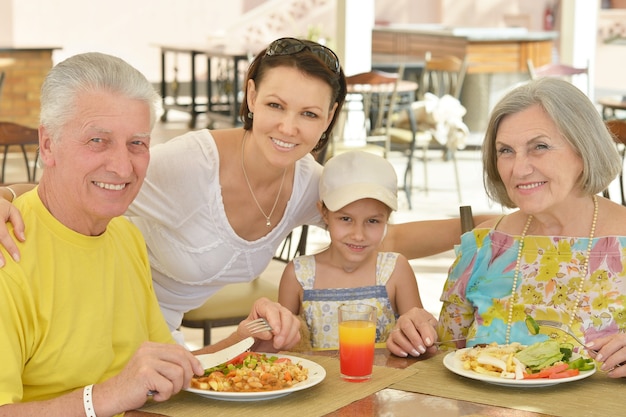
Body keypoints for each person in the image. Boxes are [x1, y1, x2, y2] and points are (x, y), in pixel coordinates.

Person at [0, 37, 492, 347]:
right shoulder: (190, 164)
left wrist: (478, 225)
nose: (288, 128)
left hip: (159, 339)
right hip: (98, 320)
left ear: (327, 122)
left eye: (309, 114)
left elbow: (377, 237)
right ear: (251, 96)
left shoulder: (307, 185)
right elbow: (81, 176)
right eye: (276, 104)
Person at [0, 52, 299, 417]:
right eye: (97, 140)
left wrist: (247, 340)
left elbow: (162, 374)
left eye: (137, 143)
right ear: (48, 145)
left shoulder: (125, 236)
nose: (123, 166)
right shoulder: (7, 254)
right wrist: (108, 396)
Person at [433, 77, 626, 378]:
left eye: (540, 146)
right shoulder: (483, 248)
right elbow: (444, 357)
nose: (519, 169)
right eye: (506, 151)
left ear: (583, 149)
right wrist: (415, 335)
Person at [278, 151, 436, 350]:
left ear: (387, 218)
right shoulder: (298, 274)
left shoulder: (395, 270)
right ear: (324, 213)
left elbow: (421, 341)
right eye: (346, 219)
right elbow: (282, 348)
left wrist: (421, 336)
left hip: (386, 380)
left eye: (373, 221)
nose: (358, 235)